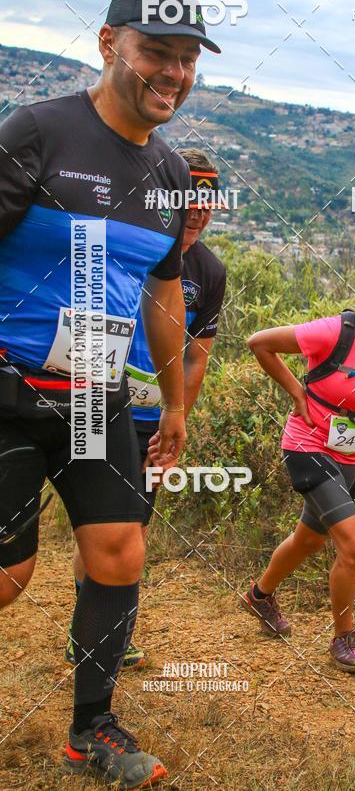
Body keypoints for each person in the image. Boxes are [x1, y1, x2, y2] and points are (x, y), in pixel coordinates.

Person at [0, 0, 221, 787]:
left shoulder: (168, 174)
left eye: (187, 59)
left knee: (120, 553)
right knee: (7, 578)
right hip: (10, 390)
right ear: (108, 44)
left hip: (96, 397)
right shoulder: (38, 132)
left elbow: (164, 295)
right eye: (156, 53)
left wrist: (177, 404)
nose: (173, 73)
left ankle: (92, 729)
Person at [67, 148, 227, 668]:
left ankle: (101, 633)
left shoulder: (210, 271)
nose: (198, 212)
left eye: (207, 202)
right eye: (189, 200)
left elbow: (196, 357)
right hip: (93, 400)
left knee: (134, 526)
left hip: (153, 420)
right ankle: (91, 632)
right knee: (102, 526)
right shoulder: (128, 243)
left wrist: (176, 417)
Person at [243, 250, 355, 672]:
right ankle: (343, 638)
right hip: (308, 447)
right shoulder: (333, 332)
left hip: (352, 456)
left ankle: (259, 596)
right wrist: (297, 392)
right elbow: (259, 343)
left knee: (309, 540)